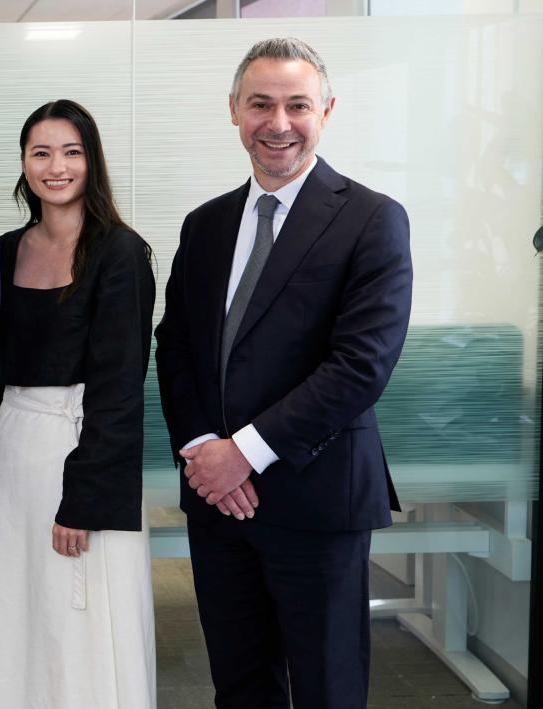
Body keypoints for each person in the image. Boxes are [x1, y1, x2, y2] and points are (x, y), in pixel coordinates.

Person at [155, 37, 412, 709]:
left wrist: (242, 452)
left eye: (297, 105)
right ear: (234, 111)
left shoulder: (372, 219)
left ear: (326, 110)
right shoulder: (205, 224)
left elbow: (361, 365)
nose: (278, 123)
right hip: (219, 505)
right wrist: (201, 452)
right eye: (260, 104)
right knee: (240, 686)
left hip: (316, 498)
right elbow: (175, 346)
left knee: (327, 688)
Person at [0, 100, 157, 709]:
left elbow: (120, 388)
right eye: (41, 152)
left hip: (80, 456)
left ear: (92, 162)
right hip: (9, 456)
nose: (56, 166)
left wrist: (86, 499)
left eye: (72, 152)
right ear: (23, 165)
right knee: (11, 608)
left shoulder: (121, 253)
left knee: (77, 616)